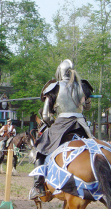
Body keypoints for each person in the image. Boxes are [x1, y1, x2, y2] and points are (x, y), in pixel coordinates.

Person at [29, 59, 94, 200]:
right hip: (81, 125)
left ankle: (38, 185)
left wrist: (52, 123)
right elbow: (87, 107)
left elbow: (45, 116)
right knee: (95, 147)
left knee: (40, 148)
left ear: (60, 72)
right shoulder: (82, 86)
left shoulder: (54, 87)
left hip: (62, 124)